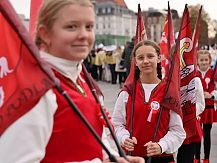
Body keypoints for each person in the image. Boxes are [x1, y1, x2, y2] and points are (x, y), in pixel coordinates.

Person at [0, 1, 145, 163]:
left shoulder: (81, 78)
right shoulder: (36, 89)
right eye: (71, 27)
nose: (83, 34)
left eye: (89, 27)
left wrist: (111, 158)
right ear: (45, 34)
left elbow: (92, 140)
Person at [112, 40, 186, 163]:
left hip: (162, 159)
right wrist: (124, 138)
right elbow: (117, 124)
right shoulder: (127, 92)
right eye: (140, 58)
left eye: (150, 56)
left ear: (159, 58)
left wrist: (162, 146)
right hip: (131, 158)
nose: (146, 61)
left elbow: (178, 131)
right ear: (135, 62)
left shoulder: (169, 92)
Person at [194, 50, 217, 163]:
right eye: (201, 60)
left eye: (206, 60)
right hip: (198, 110)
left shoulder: (213, 73)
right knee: (197, 134)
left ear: (209, 61)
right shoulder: (194, 74)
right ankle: (196, 157)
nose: (203, 62)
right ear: (197, 61)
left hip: (208, 109)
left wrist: (211, 95)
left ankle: (206, 158)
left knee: (207, 135)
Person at [176, 77, 205, 163]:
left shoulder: (195, 80)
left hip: (189, 125)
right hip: (169, 125)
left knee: (186, 157)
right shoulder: (167, 77)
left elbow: (201, 104)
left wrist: (189, 113)